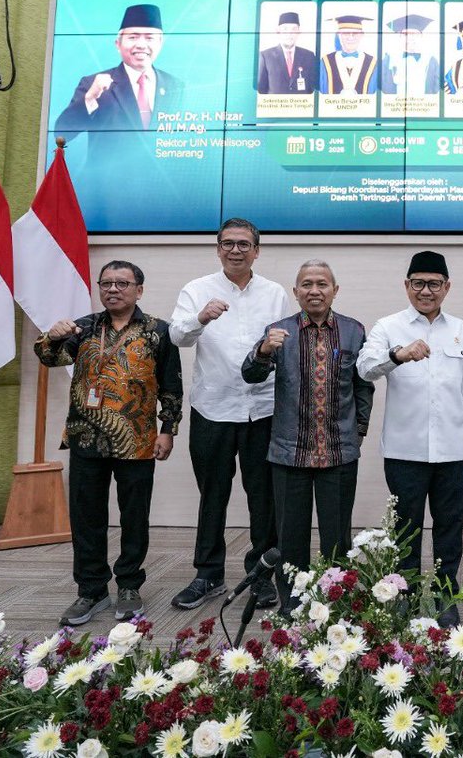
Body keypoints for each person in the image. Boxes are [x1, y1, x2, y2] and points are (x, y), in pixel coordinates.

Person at [35, 260, 182, 626]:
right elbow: (50, 358)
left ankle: (129, 585)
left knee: (134, 516)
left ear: (139, 290)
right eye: (106, 283)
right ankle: (91, 589)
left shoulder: (158, 331)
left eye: (122, 283)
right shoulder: (82, 328)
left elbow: (171, 386)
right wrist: (52, 336)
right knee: (86, 517)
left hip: (137, 439)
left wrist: (168, 429)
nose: (113, 289)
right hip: (85, 437)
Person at [167, 219, 291, 611]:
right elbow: (177, 336)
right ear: (218, 248)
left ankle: (261, 576)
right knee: (212, 496)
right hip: (213, 409)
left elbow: (286, 347)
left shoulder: (274, 293)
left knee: (263, 499)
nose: (235, 250)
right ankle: (208, 574)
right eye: (228, 244)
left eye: (243, 244)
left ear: (257, 251)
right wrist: (200, 318)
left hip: (263, 411)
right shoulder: (197, 289)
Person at [241, 260, 375, 613]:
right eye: (306, 284)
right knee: (291, 537)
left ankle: (336, 605)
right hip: (290, 453)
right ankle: (293, 606)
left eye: (322, 284)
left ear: (335, 290)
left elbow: (363, 385)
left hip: (339, 452)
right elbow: (250, 375)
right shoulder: (278, 331)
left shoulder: (354, 331)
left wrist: (359, 430)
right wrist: (263, 351)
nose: (314, 290)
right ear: (296, 291)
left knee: (337, 537)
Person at [358, 251, 463, 627]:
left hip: (453, 449)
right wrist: (398, 355)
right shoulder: (388, 326)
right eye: (418, 283)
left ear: (447, 287)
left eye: (434, 284)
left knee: (450, 526)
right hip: (404, 449)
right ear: (406, 285)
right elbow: (364, 368)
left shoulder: (462, 328)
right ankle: (405, 595)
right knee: (405, 530)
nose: (426, 291)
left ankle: (445, 595)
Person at [55, 4, 185, 135]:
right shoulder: (92, 84)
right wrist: (90, 98)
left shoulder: (176, 86)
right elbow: (61, 134)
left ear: (160, 43)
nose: (141, 45)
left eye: (149, 38)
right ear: (118, 44)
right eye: (133, 37)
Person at [256, 11, 317, 95]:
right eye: (285, 29)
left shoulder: (309, 56)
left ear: (299, 31)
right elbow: (261, 90)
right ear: (278, 31)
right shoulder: (265, 56)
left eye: (294, 29)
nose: (289, 33)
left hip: (301, 103)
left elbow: (312, 88)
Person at [380, 14, 440, 95]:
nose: (410, 38)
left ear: (421, 36)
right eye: (406, 34)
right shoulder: (389, 59)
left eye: (414, 34)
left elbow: (435, 88)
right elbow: (383, 86)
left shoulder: (431, 61)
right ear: (400, 36)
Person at [318, 15, 379, 94]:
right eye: (346, 33)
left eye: (355, 33)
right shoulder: (325, 62)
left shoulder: (372, 63)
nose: (351, 37)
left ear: (362, 35)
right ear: (339, 35)